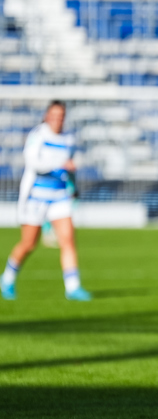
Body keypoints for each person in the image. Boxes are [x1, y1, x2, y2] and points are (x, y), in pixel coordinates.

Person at [1, 101, 91, 301]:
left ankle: (73, 287)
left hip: (59, 197)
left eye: (61, 116)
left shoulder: (69, 139)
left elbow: (70, 166)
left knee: (68, 240)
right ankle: (7, 278)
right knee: (29, 243)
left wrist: (73, 187)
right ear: (47, 116)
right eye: (54, 115)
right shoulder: (38, 135)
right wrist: (59, 164)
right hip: (36, 197)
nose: (57, 120)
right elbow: (34, 163)